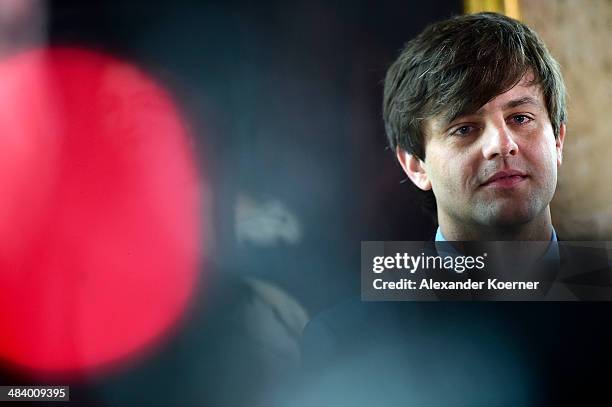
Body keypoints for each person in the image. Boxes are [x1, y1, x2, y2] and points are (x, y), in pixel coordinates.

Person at [297, 13, 612, 406]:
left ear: (558, 140)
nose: (502, 144)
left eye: (521, 118)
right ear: (416, 165)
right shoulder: (347, 339)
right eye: (465, 128)